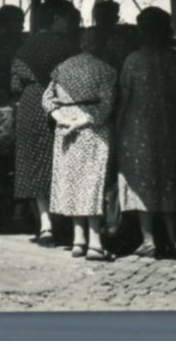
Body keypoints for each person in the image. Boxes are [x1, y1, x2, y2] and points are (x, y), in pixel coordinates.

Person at [43, 28, 120, 261]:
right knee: (92, 184)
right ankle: (95, 243)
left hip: (65, 130)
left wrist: (62, 118)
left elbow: (46, 99)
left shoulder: (62, 67)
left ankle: (78, 240)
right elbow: (106, 106)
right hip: (91, 131)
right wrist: (81, 122)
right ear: (98, 45)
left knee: (73, 183)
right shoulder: (105, 70)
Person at [11, 0, 80, 246]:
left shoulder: (27, 45)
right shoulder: (69, 47)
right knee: (58, 162)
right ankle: (62, 220)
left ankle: (45, 224)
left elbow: (15, 81)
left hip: (31, 104)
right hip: (59, 105)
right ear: (56, 18)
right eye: (66, 17)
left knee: (35, 164)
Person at [116, 7, 176, 258]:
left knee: (142, 182)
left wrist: (119, 127)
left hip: (137, 127)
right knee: (167, 180)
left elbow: (125, 97)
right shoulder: (173, 58)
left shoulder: (133, 60)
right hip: (167, 126)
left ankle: (149, 240)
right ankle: (174, 240)